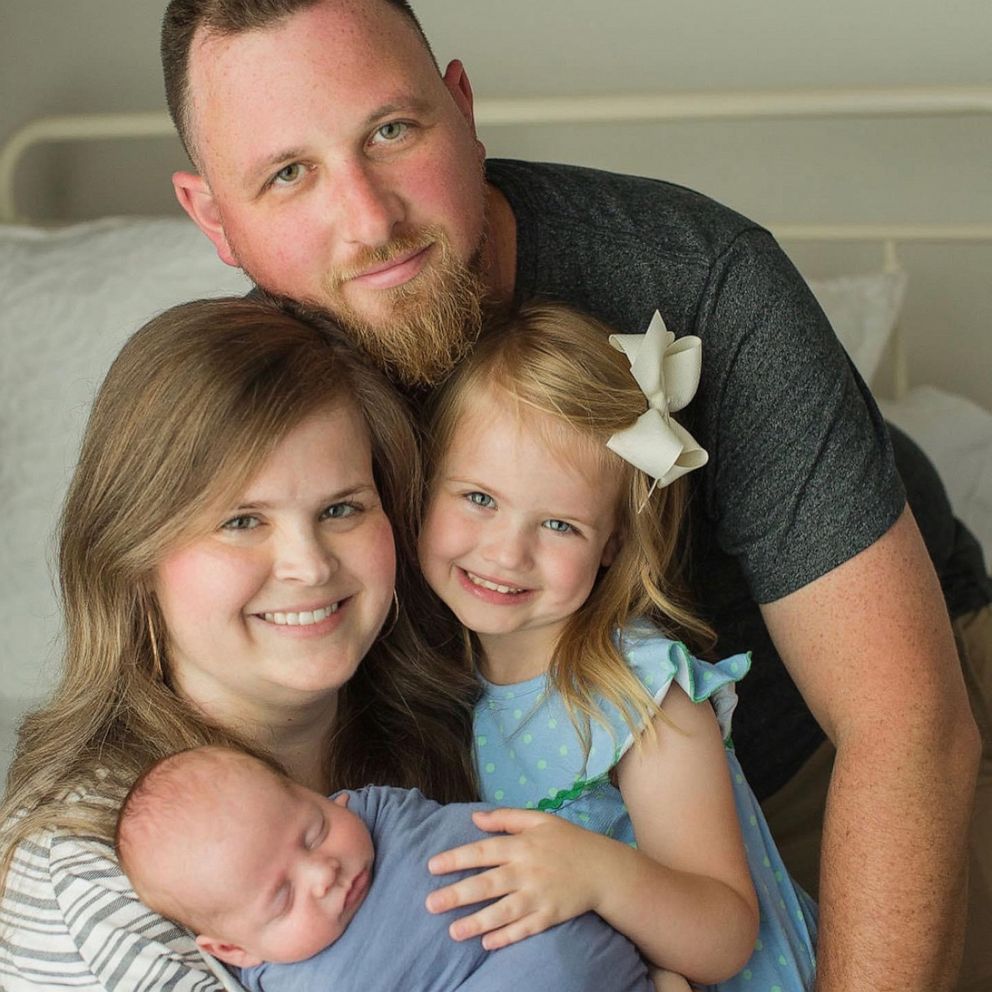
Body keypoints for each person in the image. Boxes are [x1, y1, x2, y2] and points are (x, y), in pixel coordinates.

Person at [160, 3, 991, 989]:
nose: (370, 220)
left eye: (391, 131)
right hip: (524, 817)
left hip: (831, 742)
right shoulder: (237, 399)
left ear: (462, 110)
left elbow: (901, 725)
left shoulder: (700, 283)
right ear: (212, 215)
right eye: (288, 173)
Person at [0, 297, 479, 991]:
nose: (309, 566)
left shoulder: (460, 723)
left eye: (342, 508)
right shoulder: (87, 874)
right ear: (135, 555)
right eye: (241, 520)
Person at [415, 302, 816, 990]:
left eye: (560, 525)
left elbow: (723, 937)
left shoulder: (641, 695)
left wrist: (600, 875)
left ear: (615, 545)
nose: (508, 552)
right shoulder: (430, 681)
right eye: (479, 498)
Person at [115, 745, 655, 992]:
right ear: (235, 950)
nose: (322, 872)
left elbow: (513, 837)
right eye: (282, 897)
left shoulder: (381, 816)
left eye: (315, 830)